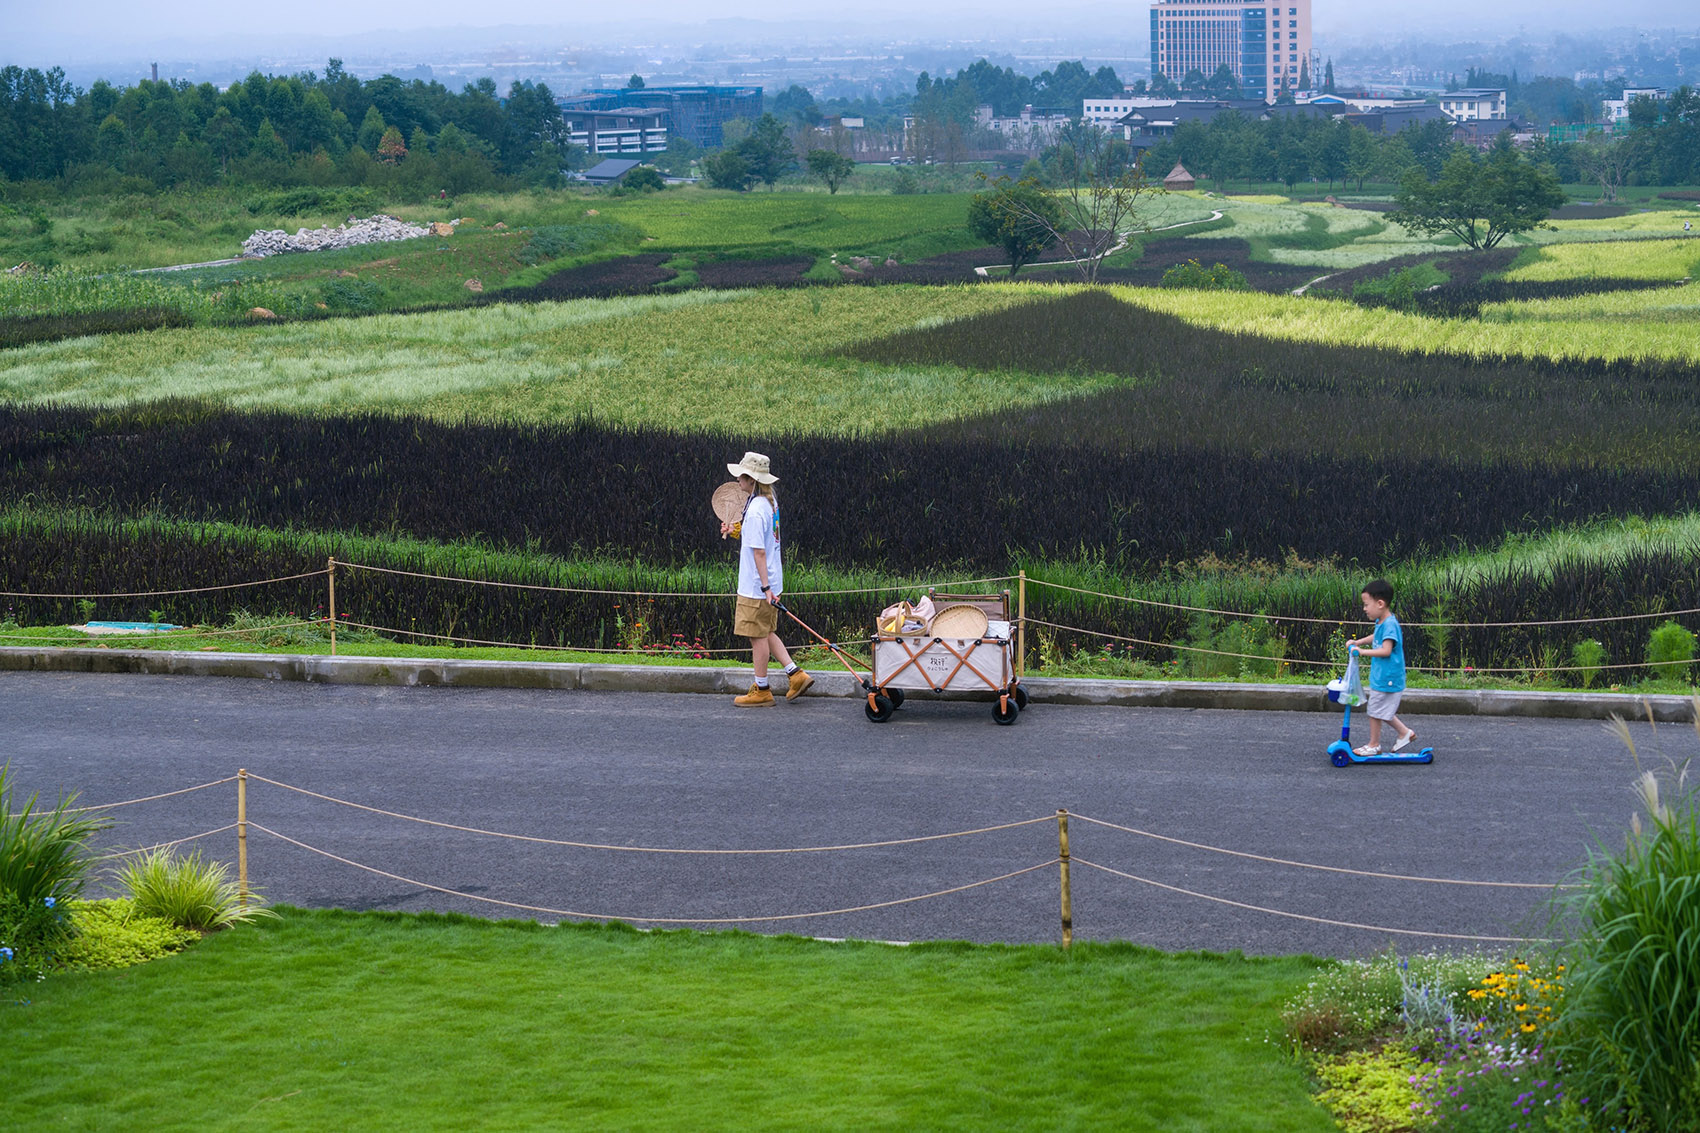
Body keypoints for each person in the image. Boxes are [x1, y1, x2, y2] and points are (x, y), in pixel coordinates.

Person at [721, 452, 813, 707]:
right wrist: (736, 530)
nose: (738, 479)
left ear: (751, 479)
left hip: (756, 586)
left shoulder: (756, 510)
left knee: (757, 636)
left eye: (741, 475)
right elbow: (760, 539)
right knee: (766, 630)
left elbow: (759, 551)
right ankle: (795, 674)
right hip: (770, 581)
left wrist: (765, 588)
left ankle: (761, 689)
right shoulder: (767, 502)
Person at [1344, 578, 1416, 756]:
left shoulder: (1390, 624)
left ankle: (1374, 744)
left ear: (1380, 603)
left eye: (1367, 604)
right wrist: (1357, 642)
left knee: (1376, 709)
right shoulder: (1382, 623)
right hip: (1382, 676)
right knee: (1382, 709)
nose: (1364, 608)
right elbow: (1376, 636)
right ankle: (1405, 732)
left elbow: (1386, 650)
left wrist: (1360, 652)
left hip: (1388, 678)